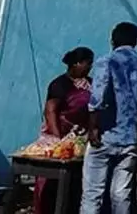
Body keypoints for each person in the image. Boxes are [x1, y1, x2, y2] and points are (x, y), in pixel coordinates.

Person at [82, 22, 137, 214]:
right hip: (131, 138)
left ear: (113, 40)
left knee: (92, 194)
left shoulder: (106, 62)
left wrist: (93, 128)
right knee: (121, 194)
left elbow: (97, 97)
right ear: (136, 41)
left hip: (105, 135)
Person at [34, 47, 93, 214]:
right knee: (50, 181)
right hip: (59, 135)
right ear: (76, 63)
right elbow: (51, 110)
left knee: (76, 182)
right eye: (87, 64)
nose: (90, 67)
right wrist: (59, 140)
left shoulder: (90, 84)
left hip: (80, 137)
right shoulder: (60, 84)